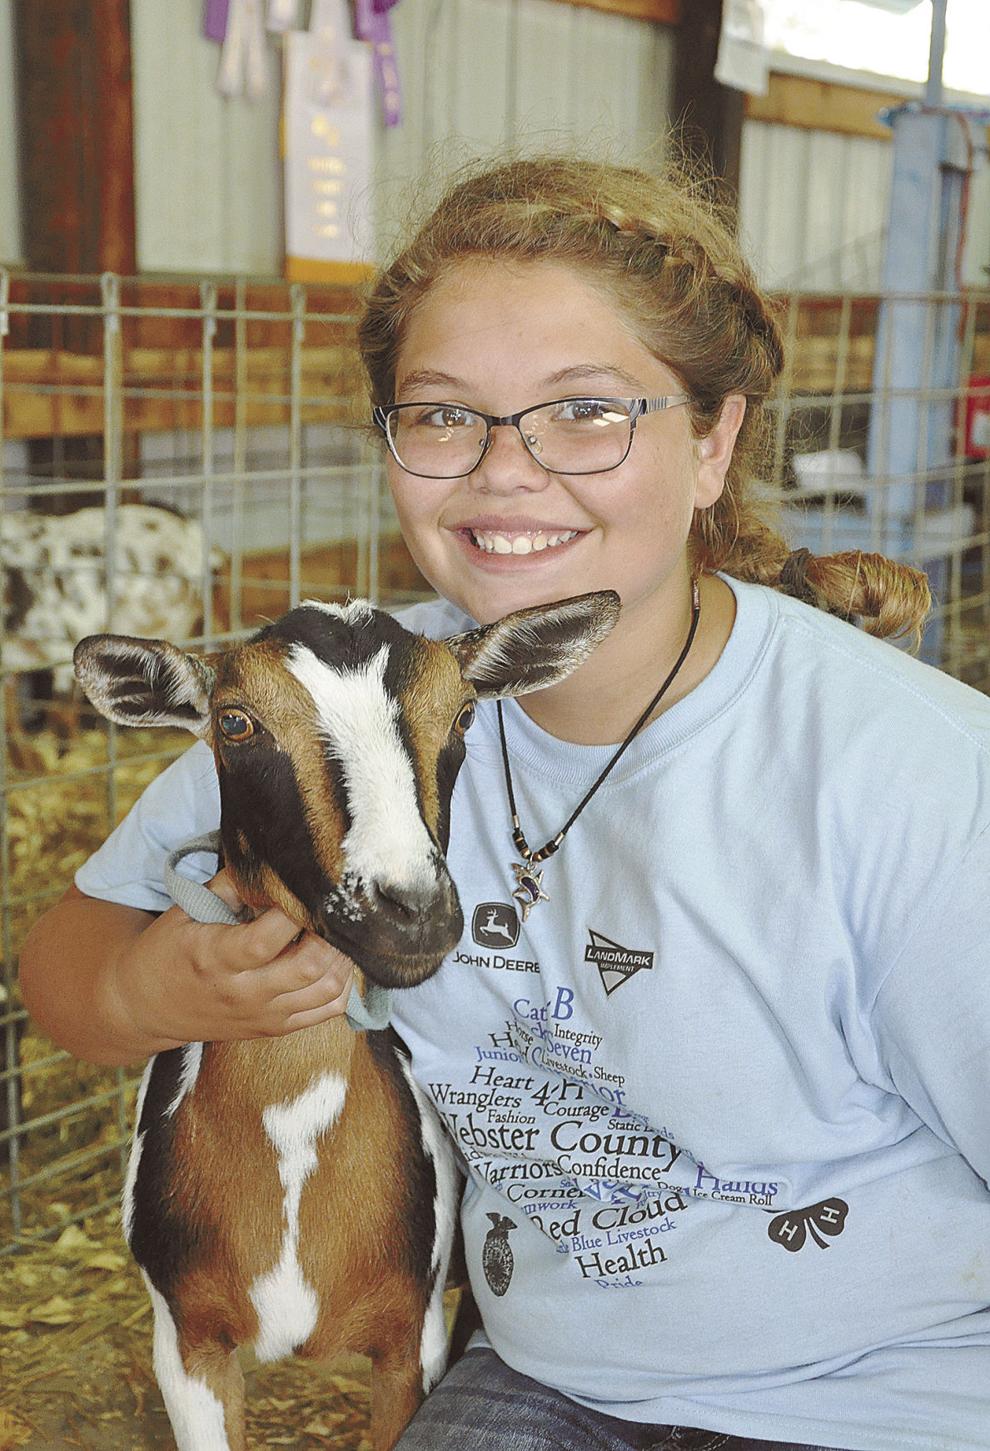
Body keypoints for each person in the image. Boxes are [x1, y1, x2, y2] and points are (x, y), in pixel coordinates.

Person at [20, 155, 990, 1451]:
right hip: (547, 1378)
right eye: (440, 415)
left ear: (712, 440)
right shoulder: (330, 705)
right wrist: (160, 992)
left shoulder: (910, 779)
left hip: (887, 1399)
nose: (501, 471)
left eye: (584, 411)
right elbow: (66, 970)